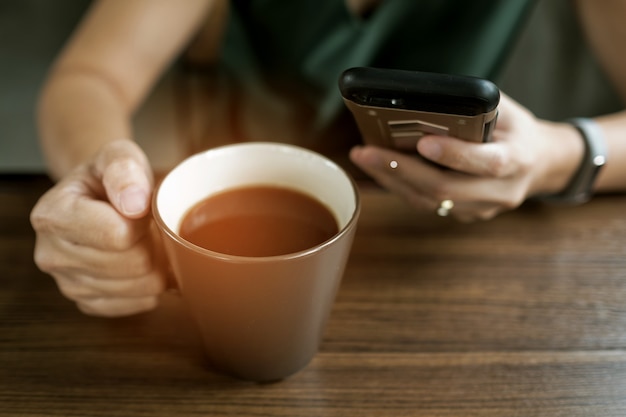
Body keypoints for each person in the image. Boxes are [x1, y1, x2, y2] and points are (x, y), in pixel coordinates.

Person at [30, 0, 626, 317]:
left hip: (435, 256)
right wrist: (109, 194)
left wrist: (554, 155)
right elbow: (89, 78)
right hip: (221, 246)